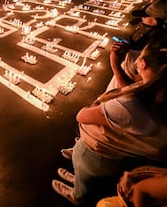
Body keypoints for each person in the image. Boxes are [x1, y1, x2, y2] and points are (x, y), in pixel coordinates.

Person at [52, 37, 167, 205]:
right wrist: (115, 66)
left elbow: (82, 115)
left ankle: (77, 195)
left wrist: (102, 102)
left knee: (85, 178)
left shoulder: (130, 108)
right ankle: (78, 177)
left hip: (98, 153)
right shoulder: (158, 92)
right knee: (82, 170)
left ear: (142, 63)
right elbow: (130, 93)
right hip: (110, 150)